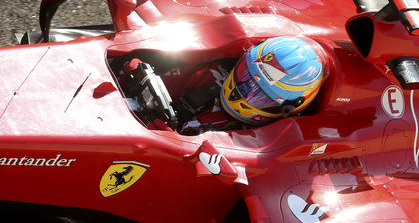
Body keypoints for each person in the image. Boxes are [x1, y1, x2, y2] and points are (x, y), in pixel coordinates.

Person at [120, 36, 329, 134]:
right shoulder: (212, 75)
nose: (241, 92)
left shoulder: (269, 140)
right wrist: (137, 74)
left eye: (260, 95)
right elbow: (146, 78)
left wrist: (166, 140)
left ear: (288, 107)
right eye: (245, 75)